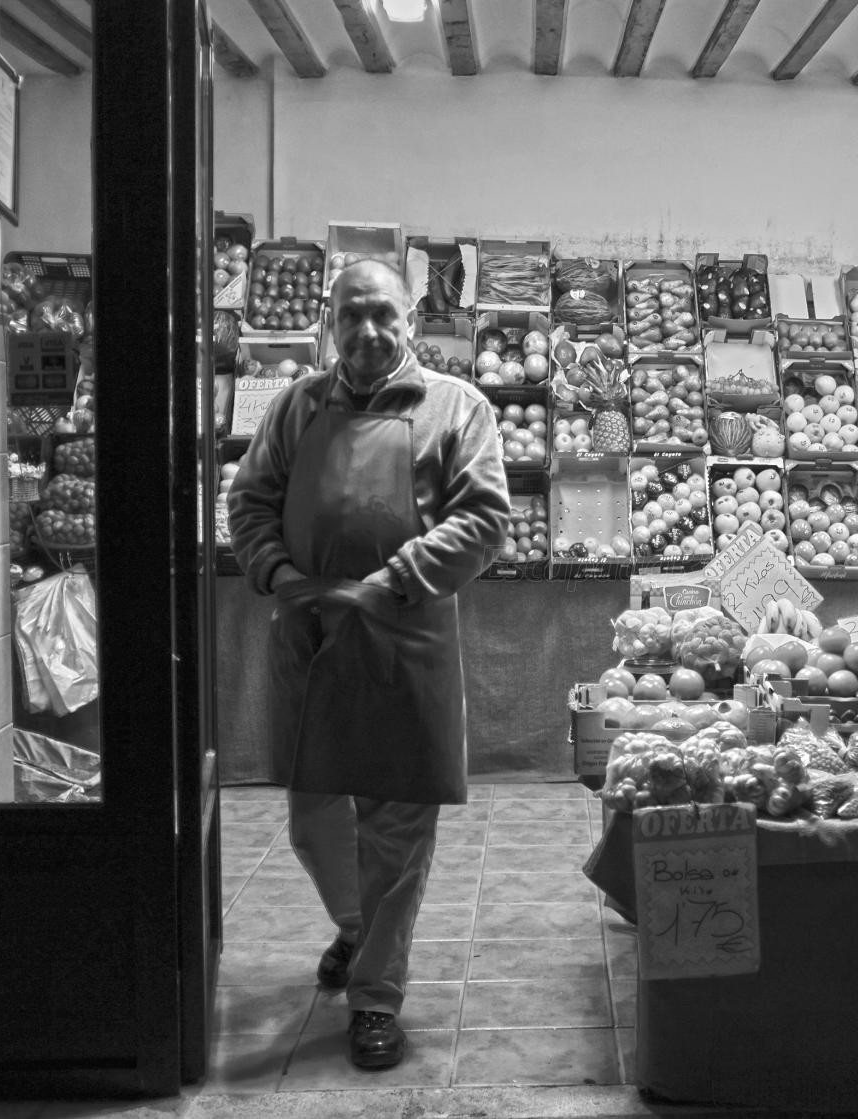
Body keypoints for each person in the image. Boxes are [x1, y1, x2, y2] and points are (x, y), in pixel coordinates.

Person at [226, 258, 510, 1070]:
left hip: (403, 641)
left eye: (383, 313)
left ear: (410, 319)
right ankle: (356, 927)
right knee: (312, 815)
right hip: (309, 635)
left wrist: (397, 580)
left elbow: (484, 517)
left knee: (396, 827)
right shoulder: (295, 406)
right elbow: (249, 502)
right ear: (330, 322)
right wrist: (277, 572)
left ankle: (376, 993)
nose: (368, 330)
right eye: (352, 315)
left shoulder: (458, 407)